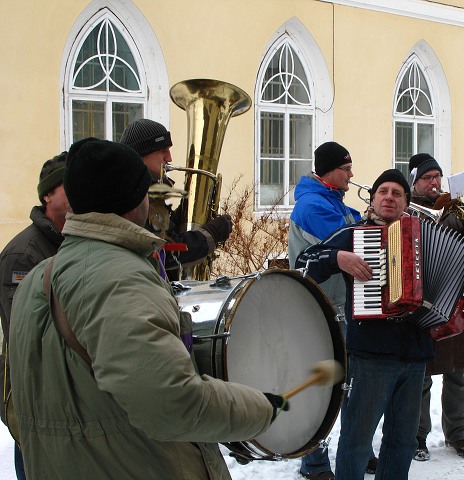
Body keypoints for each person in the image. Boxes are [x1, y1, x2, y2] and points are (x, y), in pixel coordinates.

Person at [8, 138, 288, 479]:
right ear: (134, 199)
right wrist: (261, 408)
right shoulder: (119, 279)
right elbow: (172, 405)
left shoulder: (41, 275)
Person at [296, 169, 464, 480]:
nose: (389, 197)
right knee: (357, 441)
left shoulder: (426, 237)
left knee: (403, 442)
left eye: (397, 193)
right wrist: (337, 258)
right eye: (383, 191)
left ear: (406, 203)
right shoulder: (356, 236)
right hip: (370, 355)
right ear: (372, 199)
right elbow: (303, 263)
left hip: (415, 357)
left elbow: (452, 296)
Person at [288, 141, 376, 479]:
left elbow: (351, 222)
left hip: (340, 306)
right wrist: (372, 222)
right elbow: (346, 238)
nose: (352, 175)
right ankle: (314, 461)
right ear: (328, 172)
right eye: (346, 168)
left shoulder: (331, 201)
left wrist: (368, 216)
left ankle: (358, 449)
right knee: (323, 388)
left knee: (353, 383)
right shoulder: (312, 205)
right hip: (319, 310)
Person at [407, 153, 464, 461]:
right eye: (428, 178)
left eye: (438, 177)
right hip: (421, 304)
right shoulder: (407, 212)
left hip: (457, 301)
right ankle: (417, 435)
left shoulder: (454, 212)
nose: (434, 182)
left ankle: (457, 432)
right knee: (421, 375)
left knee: (457, 373)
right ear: (415, 182)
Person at [0, 151, 69, 480]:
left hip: (66, 404)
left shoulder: (71, 243)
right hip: (36, 406)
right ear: (48, 195)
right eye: (69, 187)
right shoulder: (23, 254)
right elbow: (28, 335)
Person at [120, 118, 232, 279]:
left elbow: (163, 234)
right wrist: (211, 234)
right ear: (143, 154)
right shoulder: (139, 195)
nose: (169, 158)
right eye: (163, 150)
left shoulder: (145, 189)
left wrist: (183, 215)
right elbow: (164, 252)